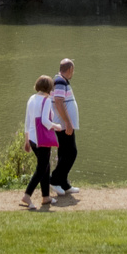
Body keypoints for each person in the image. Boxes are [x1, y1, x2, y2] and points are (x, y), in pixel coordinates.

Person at [20, 74, 63, 210]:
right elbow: (45, 121)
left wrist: (26, 140)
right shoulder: (46, 101)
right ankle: (27, 195)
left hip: (32, 139)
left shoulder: (31, 99)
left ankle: (45, 197)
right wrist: (56, 126)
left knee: (45, 166)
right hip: (41, 139)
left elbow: (27, 120)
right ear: (49, 88)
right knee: (42, 168)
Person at [49, 58, 80, 197]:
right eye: (73, 70)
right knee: (71, 152)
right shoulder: (60, 81)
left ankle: (64, 184)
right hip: (63, 125)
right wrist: (67, 122)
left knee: (64, 153)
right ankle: (55, 180)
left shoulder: (60, 81)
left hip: (63, 124)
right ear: (70, 70)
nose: (73, 73)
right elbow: (59, 102)